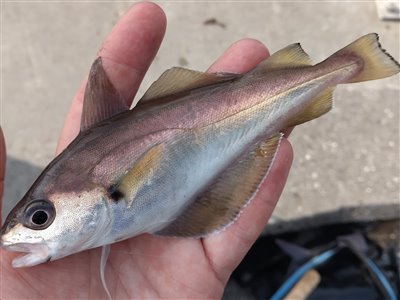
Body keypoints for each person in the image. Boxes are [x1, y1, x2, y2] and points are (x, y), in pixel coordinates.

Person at [0, 2, 293, 298]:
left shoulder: (109, 189)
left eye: (40, 218)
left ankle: (324, 74)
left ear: (98, 192)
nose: (18, 241)